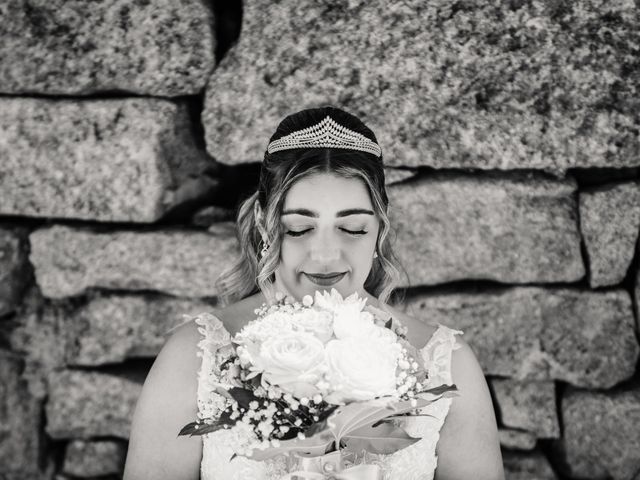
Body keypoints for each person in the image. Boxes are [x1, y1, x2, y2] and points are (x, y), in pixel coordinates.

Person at [123, 106, 505, 479]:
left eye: (352, 228)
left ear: (379, 229)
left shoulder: (447, 363)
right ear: (264, 223)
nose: (325, 255)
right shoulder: (193, 358)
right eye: (299, 228)